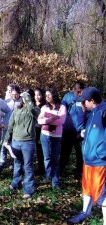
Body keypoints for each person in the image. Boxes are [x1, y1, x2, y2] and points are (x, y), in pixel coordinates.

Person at [67, 87, 106, 224]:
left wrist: (101, 152)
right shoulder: (92, 112)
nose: (82, 104)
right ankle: (85, 212)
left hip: (100, 162)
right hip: (88, 160)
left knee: (102, 195)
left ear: (92, 100)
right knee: (87, 188)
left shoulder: (104, 112)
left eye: (84, 102)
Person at [5, 92, 39, 198]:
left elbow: (34, 112)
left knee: (28, 165)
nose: (23, 99)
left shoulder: (35, 109)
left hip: (28, 142)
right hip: (15, 141)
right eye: (22, 97)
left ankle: (28, 189)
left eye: (25, 97)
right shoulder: (16, 109)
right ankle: (16, 183)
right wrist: (6, 139)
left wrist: (27, 99)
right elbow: (10, 125)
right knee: (17, 163)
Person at [38, 88, 66, 189]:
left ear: (54, 95)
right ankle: (47, 176)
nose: (47, 97)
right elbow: (39, 121)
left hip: (56, 137)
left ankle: (55, 181)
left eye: (49, 95)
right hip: (45, 135)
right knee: (47, 158)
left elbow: (61, 121)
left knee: (55, 159)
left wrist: (46, 120)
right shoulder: (44, 107)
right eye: (46, 95)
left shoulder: (62, 107)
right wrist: (52, 118)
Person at [60, 81, 86, 178]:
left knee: (80, 153)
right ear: (73, 89)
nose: (79, 93)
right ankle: (61, 170)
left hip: (81, 131)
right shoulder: (67, 97)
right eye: (77, 91)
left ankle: (79, 172)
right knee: (65, 152)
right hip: (68, 131)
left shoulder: (86, 98)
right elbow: (61, 110)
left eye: (81, 91)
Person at [0, 85, 23, 170]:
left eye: (16, 94)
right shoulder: (7, 101)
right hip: (6, 126)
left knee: (14, 145)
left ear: (19, 93)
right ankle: (2, 161)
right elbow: (1, 112)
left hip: (17, 128)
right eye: (12, 94)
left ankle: (13, 162)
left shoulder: (22, 101)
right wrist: (1, 122)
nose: (14, 96)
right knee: (4, 144)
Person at [34, 88, 46, 176]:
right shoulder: (32, 105)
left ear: (42, 95)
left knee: (42, 150)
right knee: (37, 150)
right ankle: (40, 167)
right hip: (33, 131)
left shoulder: (45, 105)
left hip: (42, 130)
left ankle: (44, 169)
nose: (37, 97)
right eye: (35, 95)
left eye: (39, 95)